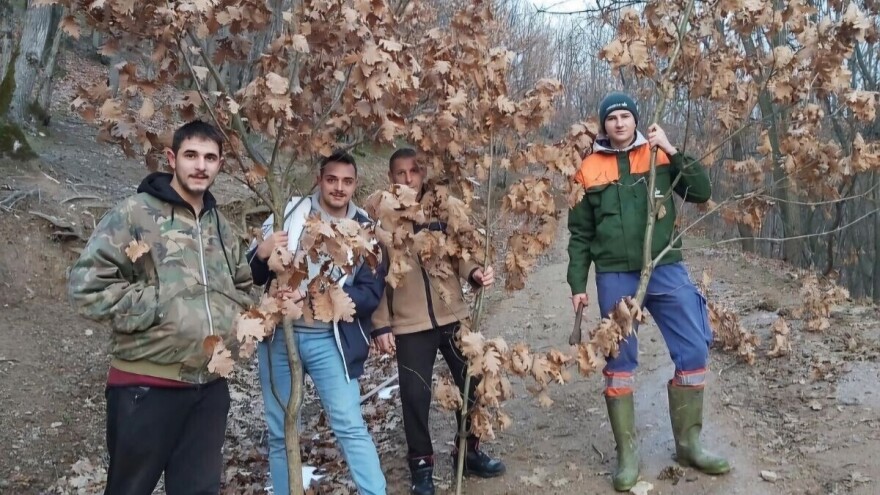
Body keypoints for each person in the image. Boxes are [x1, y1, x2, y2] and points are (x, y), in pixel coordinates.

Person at [68, 120, 254, 495]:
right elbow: (86, 287)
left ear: (220, 165)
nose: (200, 165)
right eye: (191, 156)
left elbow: (241, 285)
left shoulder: (220, 224)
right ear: (172, 159)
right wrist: (160, 304)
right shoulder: (134, 214)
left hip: (208, 388)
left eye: (210, 158)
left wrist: (238, 320)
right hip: (145, 386)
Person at [566, 92, 730, 491]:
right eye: (612, 118)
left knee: (693, 345)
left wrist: (672, 150)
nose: (619, 123)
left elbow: (701, 191)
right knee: (619, 358)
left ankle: (689, 444)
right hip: (615, 276)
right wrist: (577, 284)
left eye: (626, 116)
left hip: (665, 266)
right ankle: (627, 454)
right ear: (603, 125)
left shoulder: (658, 154)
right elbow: (580, 233)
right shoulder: (588, 168)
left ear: (636, 121)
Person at [248, 150, 387, 495]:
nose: (339, 188)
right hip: (281, 337)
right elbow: (254, 273)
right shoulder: (290, 213)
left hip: (331, 340)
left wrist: (315, 297)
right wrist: (262, 253)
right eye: (332, 179)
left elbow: (371, 293)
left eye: (347, 181)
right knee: (281, 431)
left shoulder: (366, 228)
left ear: (355, 184)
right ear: (319, 178)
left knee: (349, 425)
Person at [371, 148, 506, 495]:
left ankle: (470, 451)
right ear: (391, 177)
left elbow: (461, 256)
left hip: (453, 315)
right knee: (415, 397)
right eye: (400, 173)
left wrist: (475, 272)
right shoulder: (383, 221)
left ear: (423, 174)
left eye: (414, 171)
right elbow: (377, 275)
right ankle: (421, 468)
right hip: (410, 324)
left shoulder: (441, 209)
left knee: (473, 383)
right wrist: (381, 324)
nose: (407, 178)